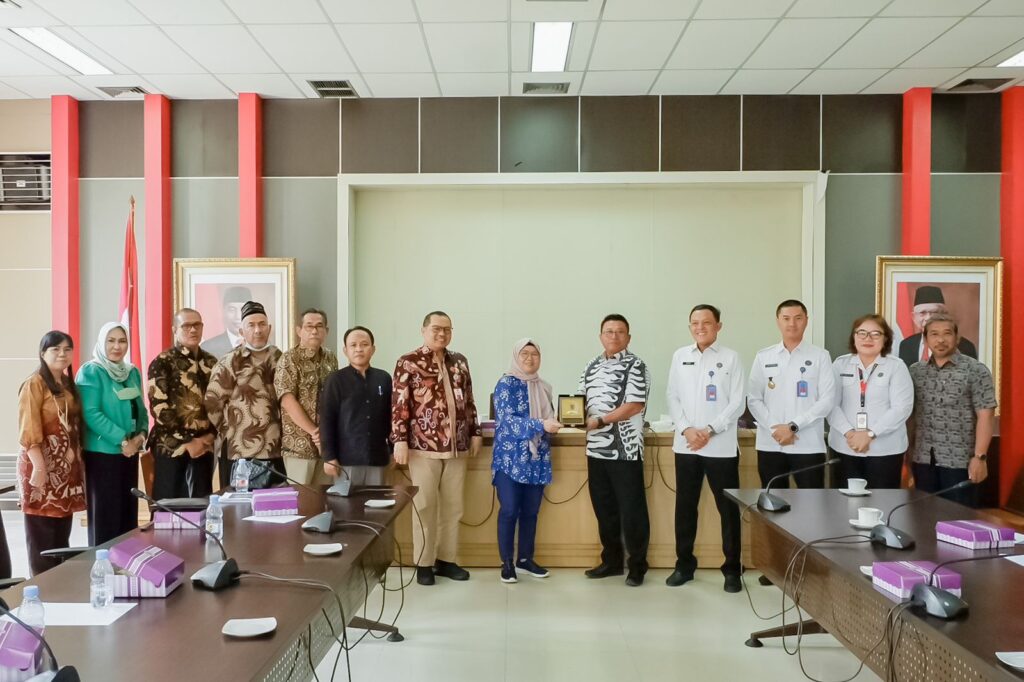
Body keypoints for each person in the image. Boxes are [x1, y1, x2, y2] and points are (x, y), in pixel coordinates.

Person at [391, 311, 482, 586]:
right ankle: (424, 562)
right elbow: (399, 404)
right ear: (424, 330)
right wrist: (399, 439)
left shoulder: (460, 361)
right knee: (425, 506)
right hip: (422, 448)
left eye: (447, 329)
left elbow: (469, 399)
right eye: (436, 329)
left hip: (457, 447)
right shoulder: (408, 362)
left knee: (453, 507)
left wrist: (475, 432)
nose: (441, 334)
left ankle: (447, 560)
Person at [665, 305, 745, 593]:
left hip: (720, 447)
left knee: (728, 510)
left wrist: (710, 429)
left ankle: (732, 570)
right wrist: (687, 429)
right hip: (687, 445)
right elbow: (672, 396)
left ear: (718, 326)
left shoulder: (731, 357)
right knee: (685, 508)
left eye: (707, 322)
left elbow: (738, 402)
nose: (700, 327)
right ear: (690, 327)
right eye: (695, 323)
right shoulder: (680, 356)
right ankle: (684, 565)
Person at [580, 314, 651, 587]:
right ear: (601, 336)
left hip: (625, 450)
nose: (614, 336)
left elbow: (634, 405)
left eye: (620, 332)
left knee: (632, 511)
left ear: (628, 337)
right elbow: (578, 402)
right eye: (609, 331)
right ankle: (611, 561)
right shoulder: (590, 365)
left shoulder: (636, 365)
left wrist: (599, 421)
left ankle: (637, 566)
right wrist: (572, 417)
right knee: (604, 509)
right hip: (595, 450)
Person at [492, 338, 562, 584]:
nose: (530, 358)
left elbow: (550, 416)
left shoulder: (544, 387)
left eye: (535, 354)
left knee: (531, 511)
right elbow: (507, 421)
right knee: (510, 509)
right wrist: (541, 424)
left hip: (537, 458)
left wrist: (559, 422)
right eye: (524, 353)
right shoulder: (506, 383)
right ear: (515, 356)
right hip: (510, 458)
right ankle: (507, 562)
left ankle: (525, 559)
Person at [908, 313, 996, 507]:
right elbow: (911, 416)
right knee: (923, 515)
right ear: (925, 339)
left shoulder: (976, 370)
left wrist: (980, 457)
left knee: (958, 518)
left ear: (957, 338)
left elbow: (986, 416)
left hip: (960, 460)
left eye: (947, 333)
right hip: (923, 459)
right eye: (934, 334)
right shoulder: (915, 371)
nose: (940, 340)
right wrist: (908, 456)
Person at [17, 331, 86, 575]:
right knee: (42, 537)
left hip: (65, 472)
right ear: (42, 353)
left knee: (60, 535)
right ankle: (42, 587)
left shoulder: (67, 384)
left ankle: (59, 584)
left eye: (67, 349)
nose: (62, 354)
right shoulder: (34, 384)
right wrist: (39, 467)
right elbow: (28, 431)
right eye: (55, 349)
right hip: (41, 468)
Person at [747, 300, 836, 489]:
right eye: (786, 318)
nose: (792, 323)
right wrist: (775, 428)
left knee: (812, 502)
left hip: (808, 445)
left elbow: (827, 400)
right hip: (771, 444)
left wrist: (793, 426)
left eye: (798, 318)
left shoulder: (820, 356)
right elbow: (754, 399)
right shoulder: (764, 356)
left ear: (806, 320)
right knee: (773, 501)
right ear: (778, 321)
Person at [76, 322, 148, 545]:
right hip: (103, 454)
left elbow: (141, 409)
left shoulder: (132, 371)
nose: (117, 346)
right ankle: (104, 561)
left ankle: (127, 560)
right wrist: (122, 440)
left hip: (130, 453)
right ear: (101, 342)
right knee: (106, 516)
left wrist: (140, 436)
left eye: (122, 341)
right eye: (111, 341)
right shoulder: (91, 371)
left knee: (127, 513)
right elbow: (90, 413)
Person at [827, 314, 913, 490]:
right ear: (854, 336)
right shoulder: (840, 364)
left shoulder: (896, 366)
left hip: (885, 450)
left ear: (885, 338)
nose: (868, 338)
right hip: (845, 447)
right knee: (843, 502)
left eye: (875, 334)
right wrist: (850, 433)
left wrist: (870, 434)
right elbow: (830, 404)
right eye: (862, 333)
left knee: (882, 502)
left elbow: (901, 408)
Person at [205, 300, 284, 489]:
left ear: (269, 328)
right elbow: (212, 402)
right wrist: (229, 427)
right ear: (241, 331)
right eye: (251, 325)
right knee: (240, 502)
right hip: (239, 450)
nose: (257, 330)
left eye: (262, 324)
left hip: (276, 449)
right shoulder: (231, 361)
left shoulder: (279, 357)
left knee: (274, 501)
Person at [147, 308, 218, 499]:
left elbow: (221, 405)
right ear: (175, 330)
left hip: (204, 445)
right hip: (171, 445)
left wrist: (209, 436)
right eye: (186, 326)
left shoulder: (212, 363)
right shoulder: (163, 362)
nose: (193, 330)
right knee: (169, 507)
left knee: (202, 503)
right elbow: (159, 408)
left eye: (197, 325)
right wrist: (188, 441)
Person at [319, 326, 392, 486]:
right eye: (353, 345)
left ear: (373, 349)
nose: (359, 349)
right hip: (346, 460)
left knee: (377, 501)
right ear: (345, 350)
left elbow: (390, 418)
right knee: (345, 501)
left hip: (378, 458)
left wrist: (393, 450)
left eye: (364, 344)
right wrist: (329, 457)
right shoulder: (335, 380)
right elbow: (326, 420)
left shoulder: (384, 378)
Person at [274, 308, 338, 485]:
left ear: (326, 331)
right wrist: (315, 432)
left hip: (326, 446)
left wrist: (326, 436)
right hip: (299, 446)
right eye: (309, 326)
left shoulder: (330, 358)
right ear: (299, 330)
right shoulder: (289, 359)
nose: (314, 331)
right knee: (301, 496)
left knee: (325, 496)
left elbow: (334, 398)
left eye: (319, 326)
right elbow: (287, 400)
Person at [897, 285, 977, 366]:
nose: (928, 318)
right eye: (922, 313)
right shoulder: (906, 345)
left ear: (944, 315)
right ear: (914, 317)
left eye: (934, 312)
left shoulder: (965, 347)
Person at [201, 285, 251, 358]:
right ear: (223, 311)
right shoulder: (208, 347)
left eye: (243, 310)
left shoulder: (261, 346)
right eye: (232, 310)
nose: (237, 316)